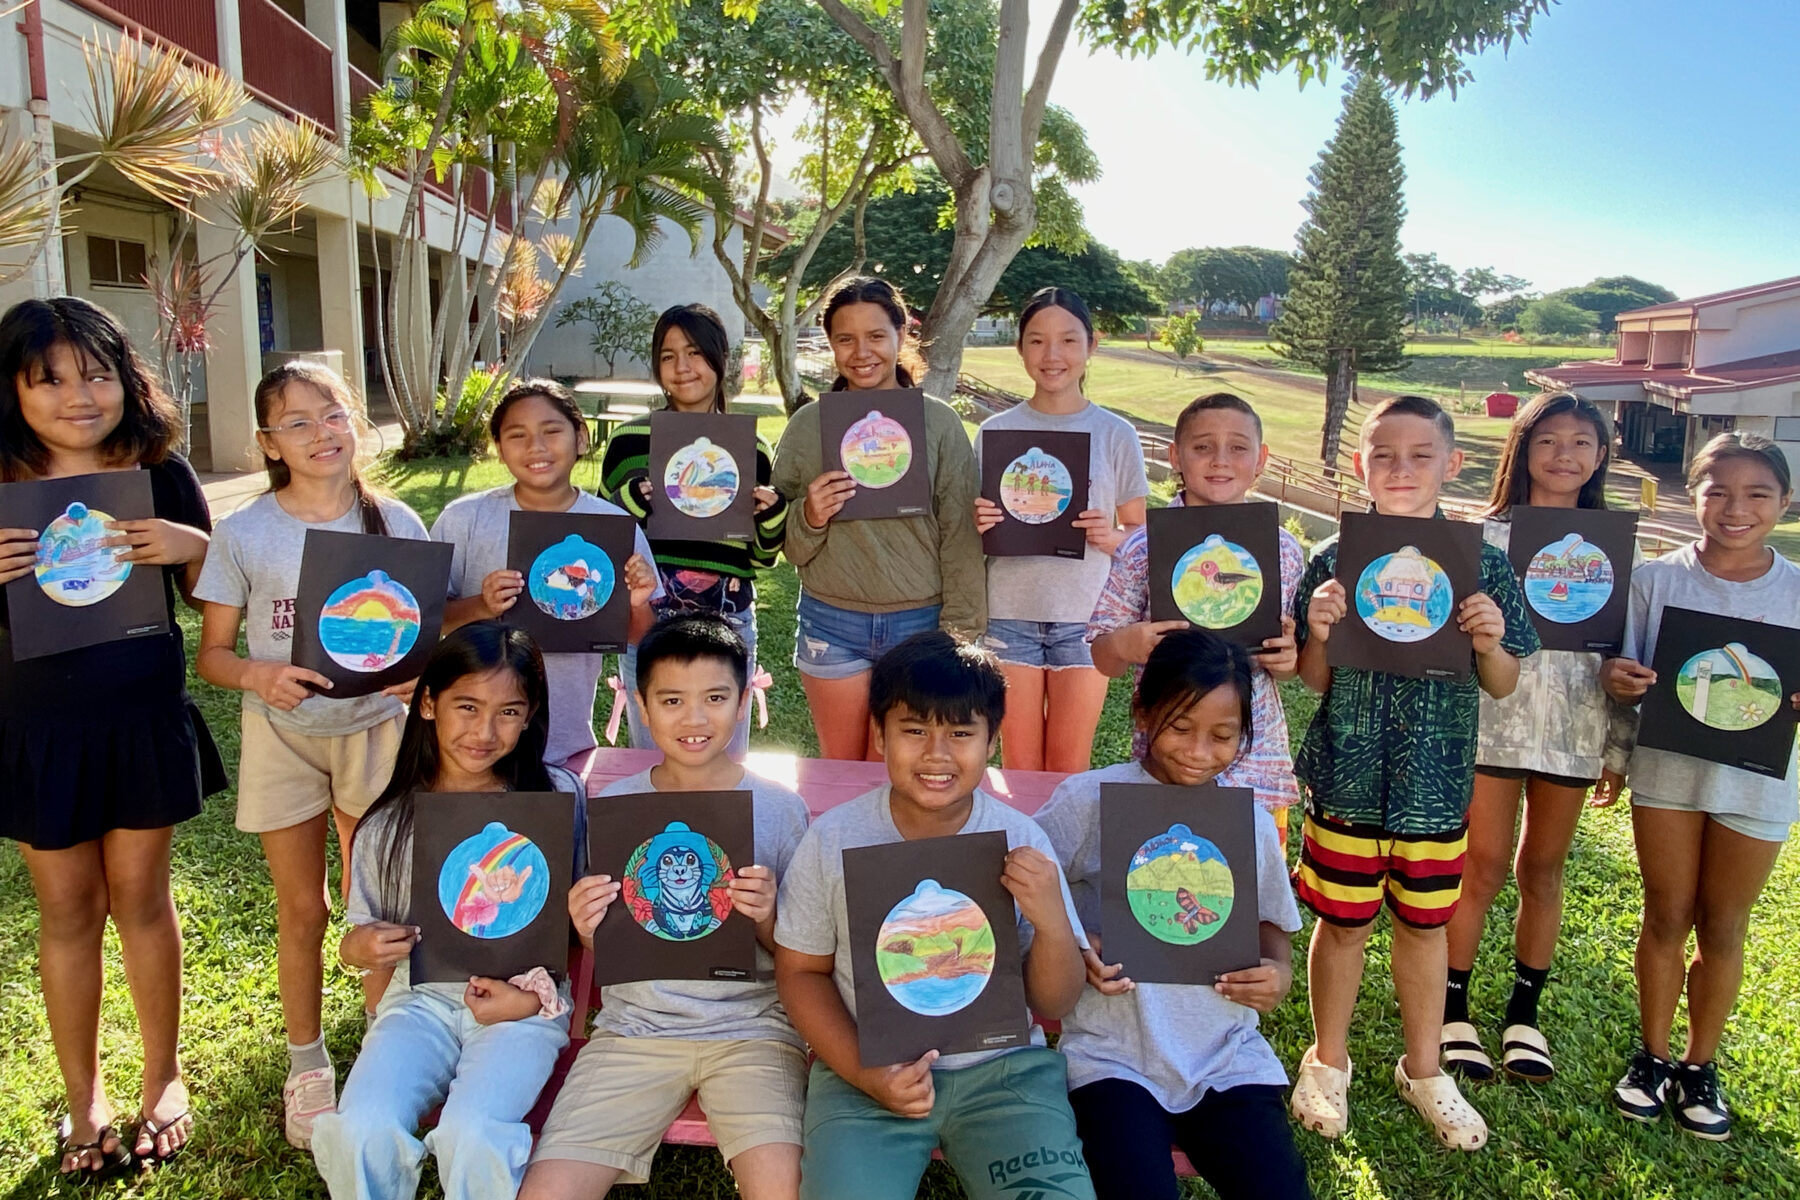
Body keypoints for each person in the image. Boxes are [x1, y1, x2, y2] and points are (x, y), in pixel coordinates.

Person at [0, 297, 224, 1175]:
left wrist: (191, 545)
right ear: (12, 391)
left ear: (126, 380)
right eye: (48, 379)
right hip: (37, 729)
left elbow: (215, 599)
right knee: (67, 910)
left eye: (95, 373)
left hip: (138, 720)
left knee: (140, 896)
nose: (77, 396)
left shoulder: (161, 472)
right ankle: (84, 1094)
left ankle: (163, 1076)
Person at [1287, 394, 1539, 1151]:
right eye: (1383, 455)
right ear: (1359, 464)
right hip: (1347, 780)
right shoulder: (1332, 561)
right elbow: (1314, 680)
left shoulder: (1484, 564)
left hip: (1434, 787)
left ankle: (1425, 1069)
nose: (1401, 469)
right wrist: (1320, 632)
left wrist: (1492, 643)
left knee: (1425, 928)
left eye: (1420, 455)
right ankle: (1328, 1060)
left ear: (1452, 464)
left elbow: (1504, 682)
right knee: (1342, 923)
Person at [194, 361, 429, 1148]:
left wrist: (419, 679)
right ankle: (307, 1065)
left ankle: (385, 1053)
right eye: (296, 423)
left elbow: (424, 637)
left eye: (332, 415)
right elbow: (213, 655)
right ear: (268, 443)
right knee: (303, 908)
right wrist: (258, 673)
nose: (319, 433)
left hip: (377, 734)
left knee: (380, 905)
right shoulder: (246, 532)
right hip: (282, 738)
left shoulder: (397, 522)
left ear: (356, 423)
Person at [774, 631, 1095, 1200]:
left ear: (993, 741)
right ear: (879, 734)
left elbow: (1054, 1003)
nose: (937, 754)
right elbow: (801, 971)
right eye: (914, 730)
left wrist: (1050, 922)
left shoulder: (1020, 840)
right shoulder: (833, 841)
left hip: (1005, 1076)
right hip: (865, 1071)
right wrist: (863, 1073)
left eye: (961, 733)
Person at [521, 614, 812, 1199]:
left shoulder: (780, 810)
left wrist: (767, 916)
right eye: (672, 700)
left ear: (743, 698)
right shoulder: (618, 806)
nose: (695, 719)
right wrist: (584, 926)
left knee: (782, 1190)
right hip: (635, 1030)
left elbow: (802, 957)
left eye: (715, 698)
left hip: (754, 1032)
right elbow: (614, 941)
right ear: (640, 706)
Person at [310, 622, 585, 1198]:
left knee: (473, 1130)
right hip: (419, 1002)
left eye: (509, 711)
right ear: (429, 704)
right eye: (466, 706)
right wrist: (358, 948)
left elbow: (570, 931)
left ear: (531, 714)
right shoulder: (389, 822)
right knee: (362, 1126)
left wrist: (534, 999)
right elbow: (358, 938)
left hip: (523, 1000)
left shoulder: (555, 798)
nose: (485, 731)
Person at [1034, 629, 1309, 1200]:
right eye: (1180, 727)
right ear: (1142, 709)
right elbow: (1023, 894)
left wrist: (1277, 976)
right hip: (1112, 1061)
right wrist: (1076, 942)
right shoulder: (1088, 800)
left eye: (1223, 735)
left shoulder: (1249, 823)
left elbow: (1273, 930)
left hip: (1225, 1059)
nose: (1198, 751)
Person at [1601, 432, 1800, 1142]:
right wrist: (1617, 727)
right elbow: (1622, 678)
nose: (1734, 508)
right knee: (1666, 914)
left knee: (1724, 925)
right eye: (1717, 491)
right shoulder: (1658, 580)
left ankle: (1699, 1065)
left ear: (1786, 502)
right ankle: (1651, 1056)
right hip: (1669, 773)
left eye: (1757, 494)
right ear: (1693, 495)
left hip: (1757, 787)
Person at [1442, 392, 1622, 1084]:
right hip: (1493, 722)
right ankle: (1455, 1009)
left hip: (1574, 727)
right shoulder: (1482, 537)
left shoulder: (1618, 548)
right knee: (1481, 865)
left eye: (1581, 442)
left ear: (1600, 456)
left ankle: (1525, 1014)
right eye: (1548, 441)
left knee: (1543, 870)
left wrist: (1618, 742)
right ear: (1522, 449)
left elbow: (1626, 652)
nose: (1564, 456)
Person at [769, 277, 985, 760]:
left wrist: (957, 636)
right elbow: (790, 547)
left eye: (875, 336)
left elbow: (960, 535)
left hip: (922, 625)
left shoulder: (939, 423)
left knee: (904, 771)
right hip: (832, 624)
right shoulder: (807, 427)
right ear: (829, 344)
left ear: (901, 335)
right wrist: (809, 514)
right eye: (845, 339)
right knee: (844, 772)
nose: (861, 352)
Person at [1087, 393, 1302, 832]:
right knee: (1170, 860)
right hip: (1170, 751)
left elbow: (1288, 661)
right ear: (1175, 456)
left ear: (1261, 459)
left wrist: (1286, 660)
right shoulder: (1142, 546)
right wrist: (1127, 644)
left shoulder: (1284, 551)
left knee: (1252, 879)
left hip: (1253, 760)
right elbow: (1102, 656)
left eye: (1238, 447)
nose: (1220, 460)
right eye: (1202, 446)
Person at [433, 377, 661, 765]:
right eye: (517, 435)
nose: (536, 447)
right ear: (500, 450)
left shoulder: (613, 526)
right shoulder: (465, 519)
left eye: (551, 431)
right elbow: (428, 619)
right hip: (471, 739)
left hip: (564, 738)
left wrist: (637, 602)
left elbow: (642, 635)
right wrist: (481, 607)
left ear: (581, 439)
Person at [599, 305, 787, 757]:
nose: (682, 368)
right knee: (653, 754)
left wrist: (771, 515)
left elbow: (761, 560)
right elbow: (603, 543)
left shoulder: (752, 449)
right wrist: (630, 502)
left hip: (730, 617)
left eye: (695, 353)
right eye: (668, 356)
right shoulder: (628, 441)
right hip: (649, 620)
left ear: (720, 359)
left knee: (724, 760)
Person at [973, 288, 1148, 772]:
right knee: (1021, 768)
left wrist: (1109, 535)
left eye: (1068, 341)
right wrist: (977, 523)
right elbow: (969, 529)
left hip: (1086, 618)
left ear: (1092, 346)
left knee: (1070, 766)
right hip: (1007, 614)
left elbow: (1142, 536)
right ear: (1020, 348)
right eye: (1036, 341)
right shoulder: (994, 432)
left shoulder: (1115, 433)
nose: (1052, 356)